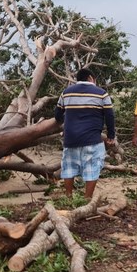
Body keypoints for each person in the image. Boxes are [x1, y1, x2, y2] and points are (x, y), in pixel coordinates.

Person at [54, 68, 115, 198]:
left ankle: (69, 197)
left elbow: (57, 115)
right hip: (92, 139)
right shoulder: (102, 94)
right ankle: (87, 199)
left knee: (69, 168)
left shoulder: (66, 93)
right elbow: (110, 116)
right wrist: (111, 136)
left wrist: (67, 122)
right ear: (90, 78)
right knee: (92, 169)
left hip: (70, 139)